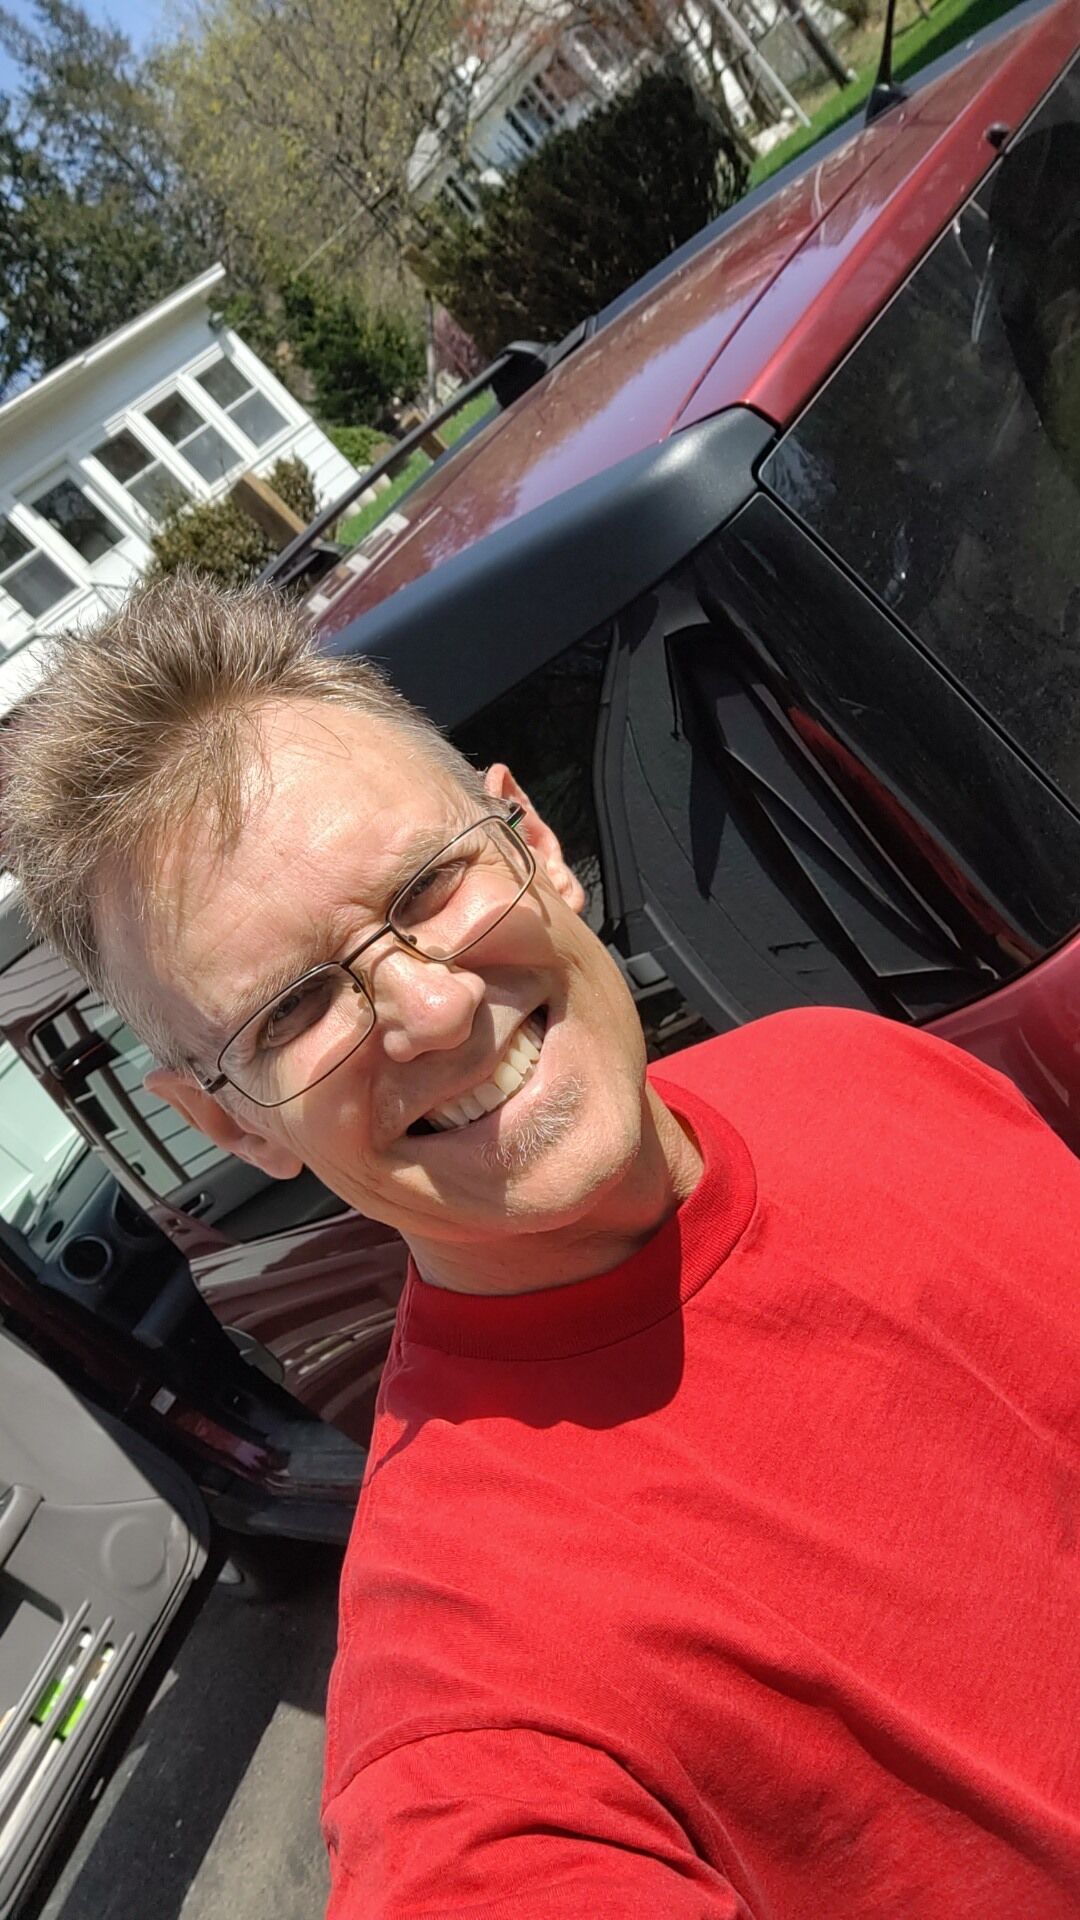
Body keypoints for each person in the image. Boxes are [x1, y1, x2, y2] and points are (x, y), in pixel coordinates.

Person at [3, 573, 1080, 1920]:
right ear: (228, 1122)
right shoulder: (467, 1700)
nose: (431, 1008)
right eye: (292, 1011)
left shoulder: (844, 1065)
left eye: (428, 884)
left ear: (530, 839)